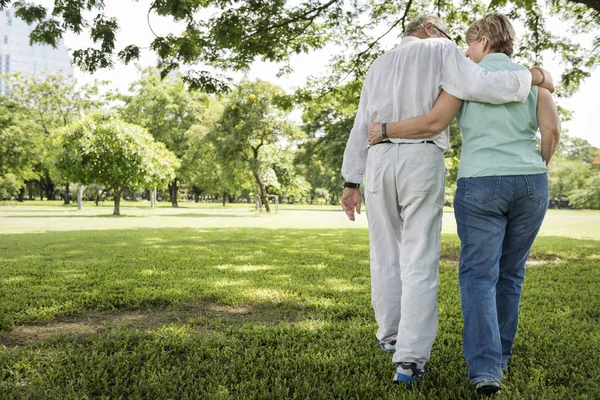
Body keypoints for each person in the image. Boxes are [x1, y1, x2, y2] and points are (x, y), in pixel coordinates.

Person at [340, 13, 555, 385]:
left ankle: (389, 336)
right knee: (419, 257)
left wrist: (350, 180)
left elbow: (363, 122)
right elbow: (482, 85)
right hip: (419, 157)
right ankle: (409, 361)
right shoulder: (442, 49)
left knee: (384, 254)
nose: (463, 47)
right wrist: (534, 77)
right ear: (429, 30)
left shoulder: (378, 63)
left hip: (377, 160)